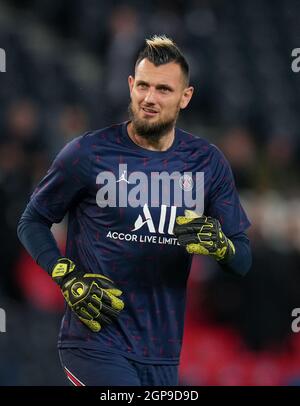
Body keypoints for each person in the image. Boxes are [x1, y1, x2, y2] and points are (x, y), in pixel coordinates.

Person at [17, 35, 251, 386]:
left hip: (162, 352)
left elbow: (242, 259)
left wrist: (221, 246)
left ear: (185, 97)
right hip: (94, 343)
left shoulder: (207, 162)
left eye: (163, 89)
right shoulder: (87, 153)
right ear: (130, 86)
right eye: (142, 86)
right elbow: (32, 221)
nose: (149, 99)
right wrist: (66, 276)